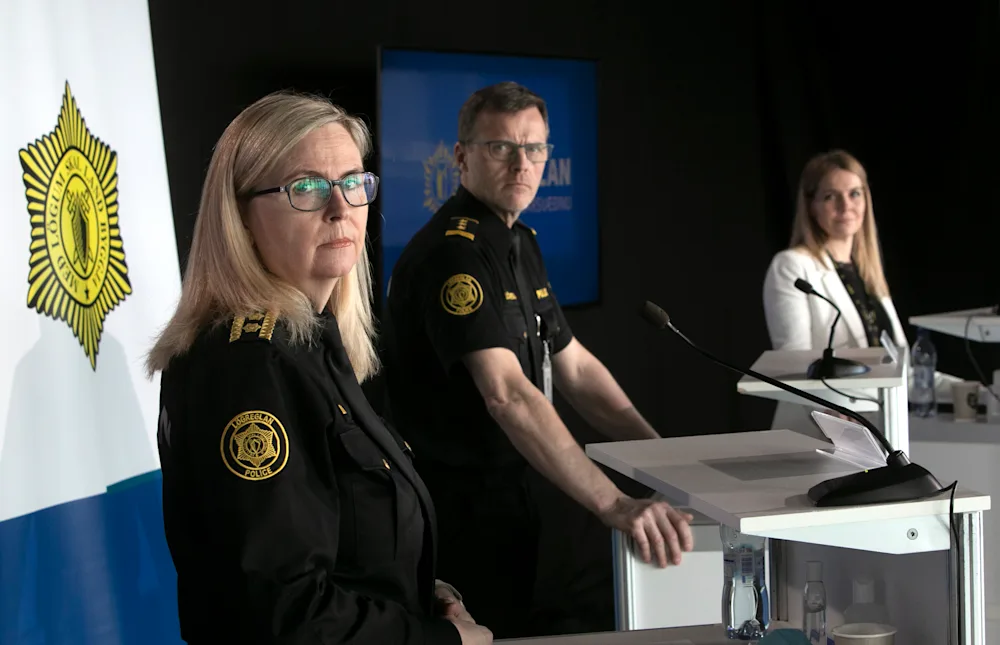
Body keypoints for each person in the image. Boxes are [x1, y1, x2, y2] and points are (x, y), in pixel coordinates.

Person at [145, 91, 491, 645]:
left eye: (353, 182)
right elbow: (285, 614)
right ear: (240, 216)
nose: (340, 208)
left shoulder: (311, 343)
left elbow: (340, 548)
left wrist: (419, 593)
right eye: (305, 187)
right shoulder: (249, 366)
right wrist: (442, 642)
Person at [380, 81, 694, 639]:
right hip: (455, 513)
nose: (521, 163)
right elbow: (507, 394)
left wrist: (662, 458)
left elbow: (575, 367)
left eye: (535, 148)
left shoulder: (519, 240)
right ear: (462, 157)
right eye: (501, 147)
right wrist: (614, 503)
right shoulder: (453, 254)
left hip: (512, 502)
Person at [762, 149, 959, 434]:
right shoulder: (792, 266)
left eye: (854, 193)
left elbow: (904, 373)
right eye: (830, 196)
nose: (846, 206)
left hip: (886, 427)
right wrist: (830, 415)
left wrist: (976, 390)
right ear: (811, 205)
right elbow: (794, 361)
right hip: (821, 429)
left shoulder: (869, 273)